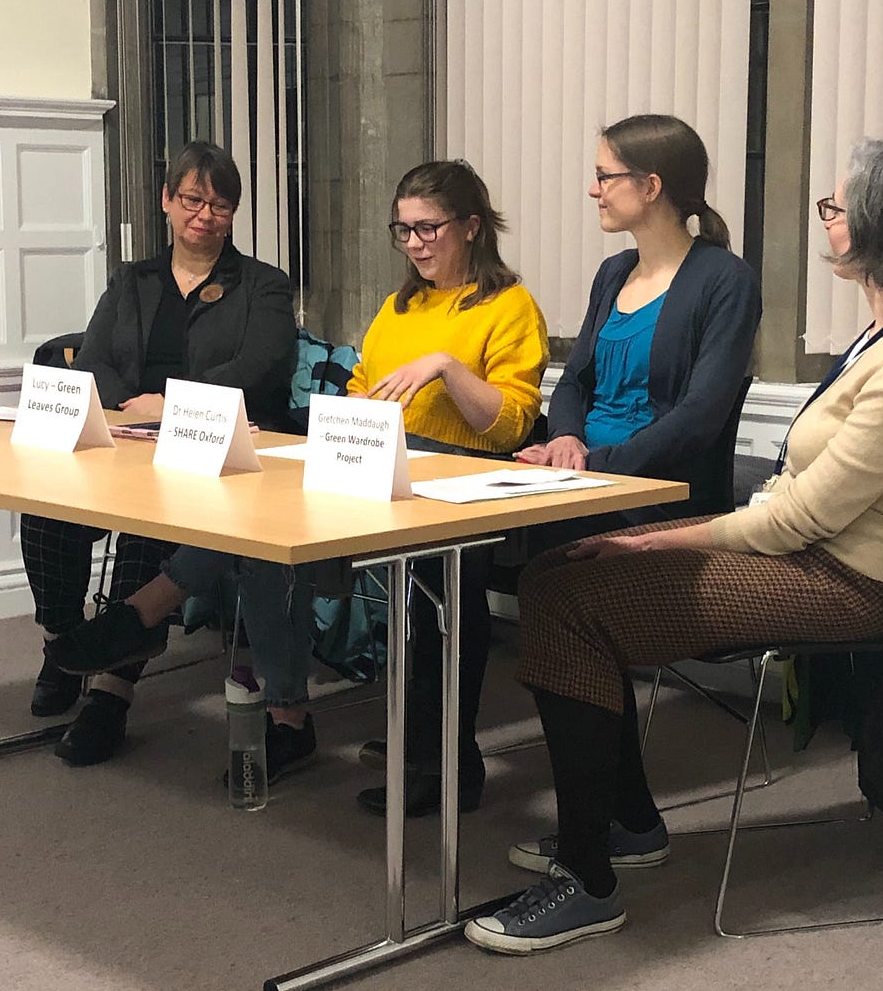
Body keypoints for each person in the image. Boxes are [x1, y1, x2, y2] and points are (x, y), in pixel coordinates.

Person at [463, 136, 883, 956]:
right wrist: (654, 541)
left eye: (837, 207)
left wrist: (656, 542)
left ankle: (588, 878)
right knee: (557, 574)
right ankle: (627, 825)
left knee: (567, 597)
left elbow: (798, 520)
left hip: (848, 580)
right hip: (811, 555)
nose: (827, 219)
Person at [48, 161, 548, 803]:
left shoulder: (508, 306)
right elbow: (366, 389)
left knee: (277, 535)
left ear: (472, 227)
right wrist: (342, 429)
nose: (416, 243)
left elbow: (508, 425)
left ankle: (150, 609)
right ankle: (282, 713)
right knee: (259, 525)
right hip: (379, 464)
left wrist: (447, 366)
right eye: (404, 230)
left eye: (429, 228)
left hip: (457, 476)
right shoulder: (402, 306)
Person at [29, 140, 297, 767]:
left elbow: (260, 365)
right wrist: (135, 408)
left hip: (213, 443)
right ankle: (64, 640)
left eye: (221, 204)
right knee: (43, 510)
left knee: (149, 524)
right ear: (167, 202)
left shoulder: (263, 285)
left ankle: (111, 693)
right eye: (193, 199)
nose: (205, 214)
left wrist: (169, 406)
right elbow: (93, 360)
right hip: (127, 436)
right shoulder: (134, 280)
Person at [517, 114, 760, 550]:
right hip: (586, 479)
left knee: (528, 545)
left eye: (604, 178)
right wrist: (565, 439)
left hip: (656, 496)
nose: (595, 191)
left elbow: (699, 417)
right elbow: (575, 380)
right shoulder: (614, 272)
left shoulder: (726, 280)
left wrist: (596, 464)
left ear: (650, 187)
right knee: (489, 534)